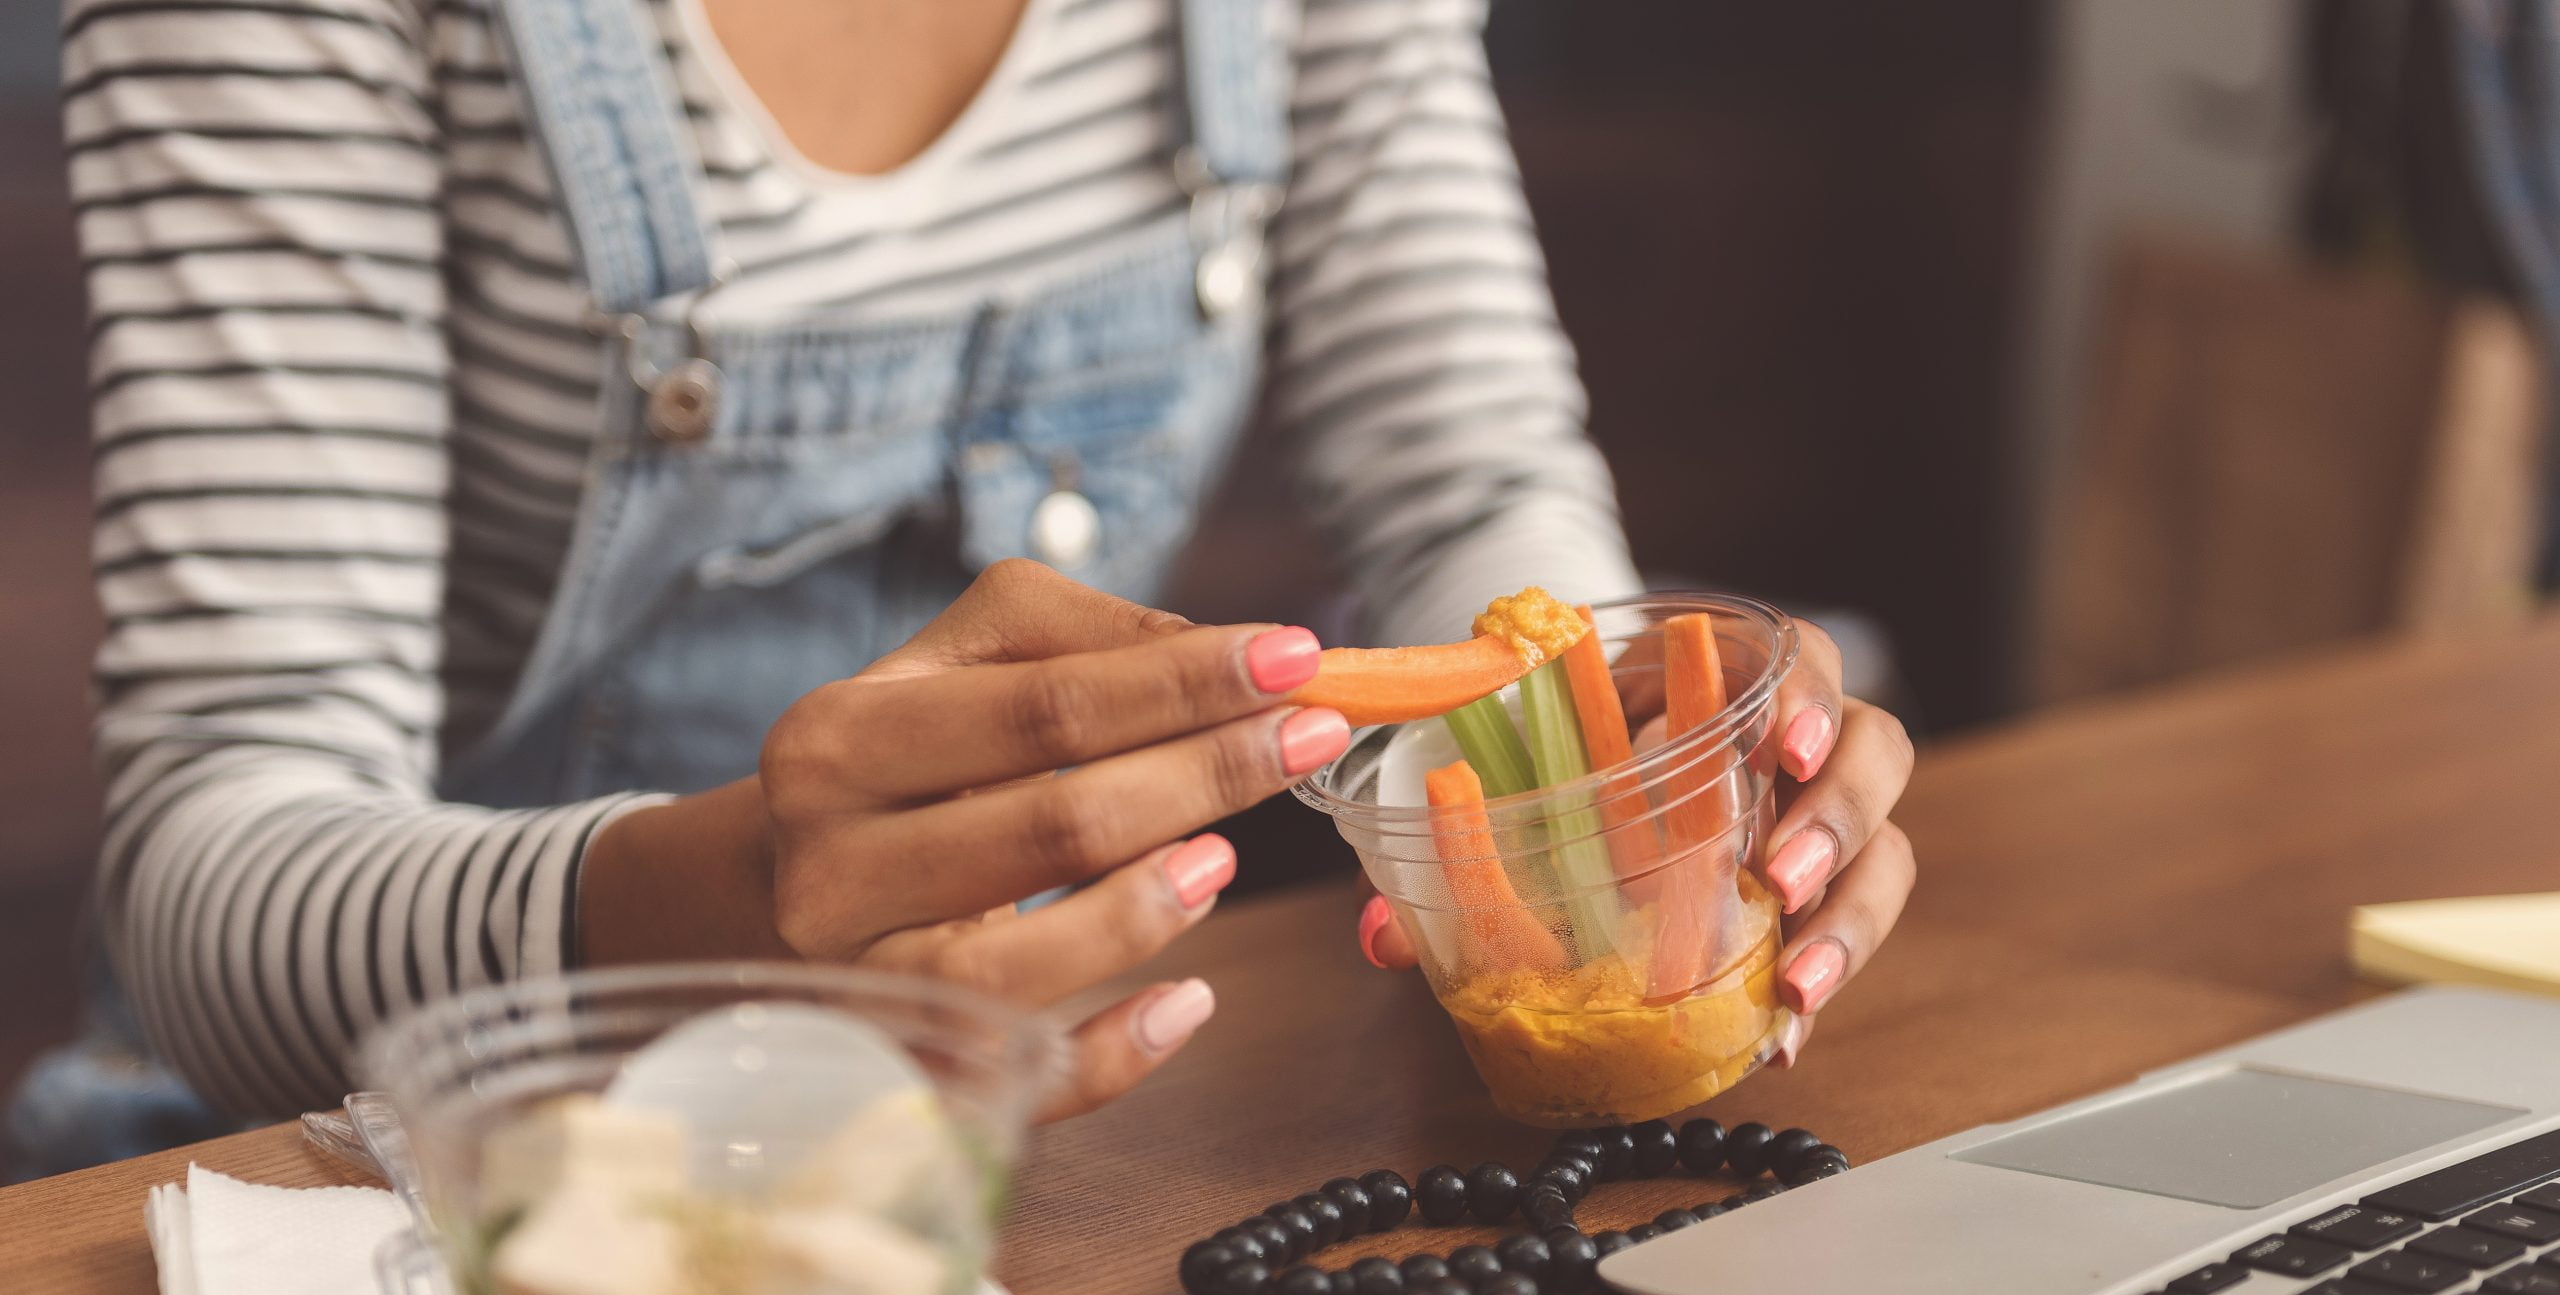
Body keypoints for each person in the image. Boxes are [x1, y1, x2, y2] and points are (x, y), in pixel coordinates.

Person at [8, 0, 1912, 1177]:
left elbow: (1472, 492)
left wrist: (1624, 818)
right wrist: (705, 921)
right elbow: (202, 876)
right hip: (408, 1197)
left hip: (1000, 1175)